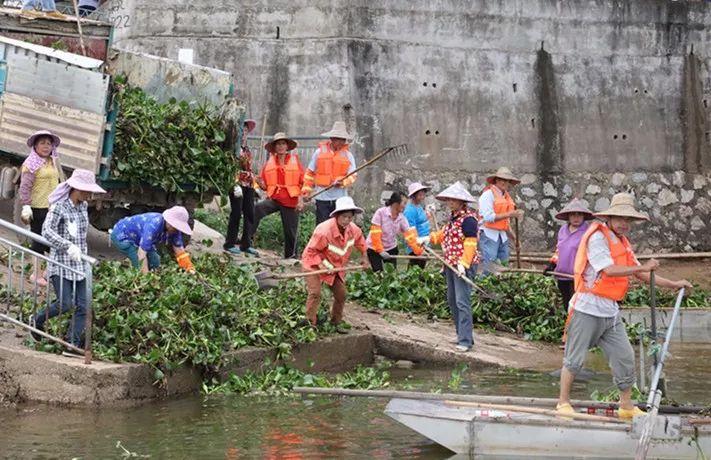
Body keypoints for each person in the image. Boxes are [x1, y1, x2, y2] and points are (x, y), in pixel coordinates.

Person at [556, 193, 693, 420]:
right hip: (587, 308)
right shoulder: (597, 237)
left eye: (627, 220)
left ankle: (626, 405)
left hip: (610, 311)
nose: (623, 224)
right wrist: (648, 267)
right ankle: (563, 402)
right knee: (574, 359)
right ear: (609, 217)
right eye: (619, 218)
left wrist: (673, 284)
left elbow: (640, 273)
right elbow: (608, 269)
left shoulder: (622, 243)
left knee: (625, 357)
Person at [32, 169, 106, 350]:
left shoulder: (83, 207)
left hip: (79, 263)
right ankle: (37, 319)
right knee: (65, 303)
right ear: (76, 189)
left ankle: (71, 342)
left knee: (84, 306)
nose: (89, 194)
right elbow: (47, 231)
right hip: (61, 263)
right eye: (87, 191)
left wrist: (80, 250)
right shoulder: (59, 206)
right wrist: (67, 246)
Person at [301, 196, 368, 330]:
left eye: (350, 217)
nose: (347, 221)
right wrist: (322, 266)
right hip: (314, 264)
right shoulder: (324, 231)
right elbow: (311, 252)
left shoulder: (353, 230)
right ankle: (309, 325)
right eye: (344, 217)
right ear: (337, 216)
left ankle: (335, 322)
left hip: (336, 267)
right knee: (315, 293)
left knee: (341, 295)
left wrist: (365, 258)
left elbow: (361, 243)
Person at [426, 182, 479, 352]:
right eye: (449, 199)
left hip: (463, 265)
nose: (450, 202)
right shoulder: (453, 218)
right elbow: (442, 236)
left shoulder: (469, 219)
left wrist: (464, 264)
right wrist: (427, 238)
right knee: (452, 300)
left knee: (462, 301)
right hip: (449, 264)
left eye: (453, 199)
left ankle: (465, 340)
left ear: (461, 201)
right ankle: (460, 334)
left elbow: (470, 244)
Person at [19, 130, 64, 287]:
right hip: (38, 207)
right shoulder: (31, 164)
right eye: (42, 143)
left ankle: (47, 271)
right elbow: (25, 187)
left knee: (52, 240)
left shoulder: (52, 161)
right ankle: (35, 274)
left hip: (52, 207)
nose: (46, 146)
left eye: (49, 143)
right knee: (38, 240)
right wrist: (26, 205)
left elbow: (59, 182)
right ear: (35, 146)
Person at [252, 133, 305, 259]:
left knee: (290, 232)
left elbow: (303, 182)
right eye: (278, 144)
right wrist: (260, 183)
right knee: (257, 208)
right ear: (274, 147)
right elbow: (265, 186)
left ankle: (291, 257)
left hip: (291, 201)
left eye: (283, 144)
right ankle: (246, 239)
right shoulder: (269, 163)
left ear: (287, 146)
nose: (281, 147)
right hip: (275, 199)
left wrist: (301, 200)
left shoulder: (295, 161)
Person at [299, 121, 357, 224]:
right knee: (322, 226)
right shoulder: (318, 153)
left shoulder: (348, 155)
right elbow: (309, 174)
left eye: (343, 139)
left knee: (339, 226)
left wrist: (343, 182)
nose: (341, 142)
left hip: (340, 199)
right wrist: (306, 192)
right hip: (322, 198)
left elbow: (353, 176)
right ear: (332, 138)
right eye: (338, 139)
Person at [545, 198, 594, 318]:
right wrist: (552, 264)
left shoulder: (588, 232)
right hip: (562, 274)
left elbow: (591, 254)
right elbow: (559, 250)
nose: (576, 217)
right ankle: (568, 328)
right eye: (573, 215)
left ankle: (575, 328)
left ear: (583, 216)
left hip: (577, 276)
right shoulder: (563, 230)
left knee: (576, 305)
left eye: (579, 214)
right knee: (566, 302)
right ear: (568, 216)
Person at [110, 206, 195, 274]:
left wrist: (189, 268)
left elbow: (179, 249)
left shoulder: (175, 230)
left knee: (155, 262)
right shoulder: (154, 225)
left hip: (139, 239)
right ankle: (136, 277)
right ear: (169, 221)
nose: (176, 228)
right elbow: (141, 254)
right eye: (175, 225)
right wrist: (146, 278)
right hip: (122, 235)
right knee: (139, 265)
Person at [477, 167, 524, 273]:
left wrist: (514, 239)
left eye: (507, 181)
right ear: (496, 180)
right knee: (489, 268)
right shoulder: (488, 195)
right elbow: (488, 217)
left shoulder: (506, 197)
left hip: (502, 237)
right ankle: (485, 289)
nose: (505, 183)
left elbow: (505, 224)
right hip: (489, 235)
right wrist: (511, 214)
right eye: (502, 180)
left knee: (503, 267)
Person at [224, 118, 259, 256]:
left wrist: (255, 185)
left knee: (250, 213)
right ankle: (229, 243)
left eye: (245, 131)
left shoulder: (247, 149)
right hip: (236, 184)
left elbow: (250, 169)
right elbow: (228, 167)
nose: (244, 133)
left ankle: (246, 244)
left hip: (248, 184)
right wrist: (233, 183)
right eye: (241, 130)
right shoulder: (233, 149)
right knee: (236, 213)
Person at [366, 191, 424, 272]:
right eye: (404, 203)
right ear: (396, 203)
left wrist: (419, 251)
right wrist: (380, 250)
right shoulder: (380, 213)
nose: (405, 206)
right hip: (374, 248)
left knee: (391, 274)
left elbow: (410, 237)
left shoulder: (402, 218)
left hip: (391, 248)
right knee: (378, 273)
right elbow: (375, 234)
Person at [402, 182, 433, 269]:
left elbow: (422, 220)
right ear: (413, 196)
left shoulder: (418, 206)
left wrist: (428, 213)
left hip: (424, 241)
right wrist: (418, 249)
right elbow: (410, 232)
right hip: (416, 244)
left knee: (421, 268)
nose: (422, 197)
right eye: (419, 195)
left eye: (423, 195)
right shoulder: (409, 211)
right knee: (415, 269)